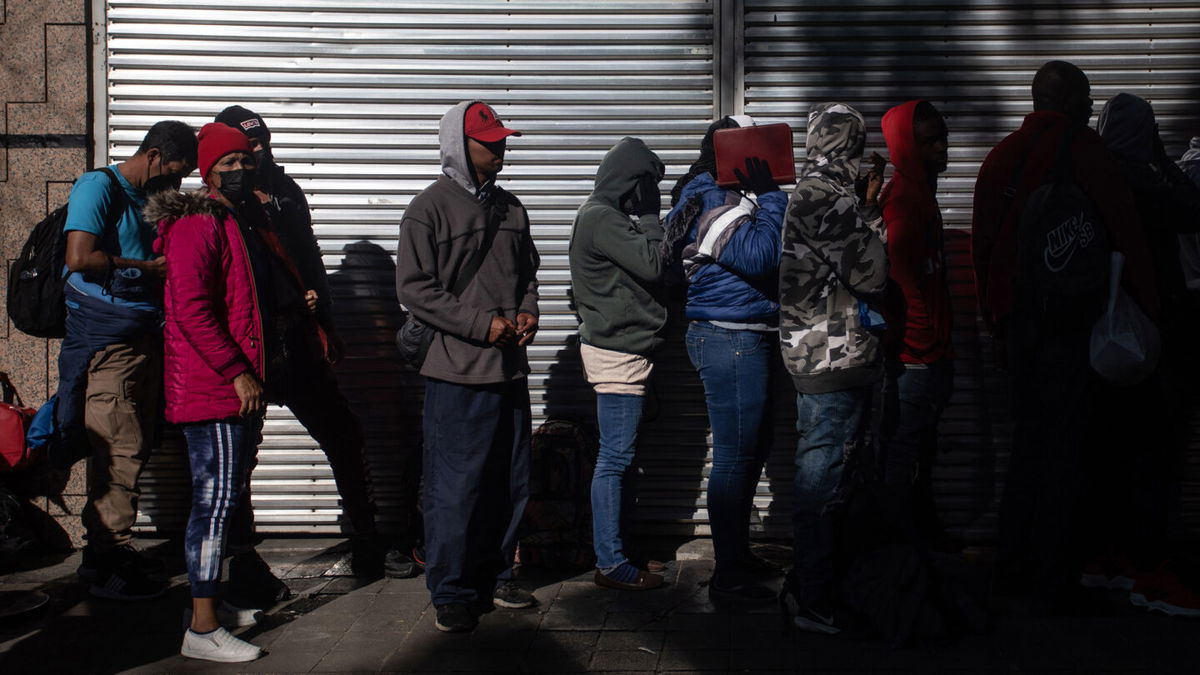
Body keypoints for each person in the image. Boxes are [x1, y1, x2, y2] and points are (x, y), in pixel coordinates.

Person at [971, 61, 1158, 613]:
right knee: (1069, 452)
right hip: (1072, 328)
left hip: (1020, 327)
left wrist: (996, 321)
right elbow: (1126, 230)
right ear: (1073, 98)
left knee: (1028, 448)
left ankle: (1012, 567)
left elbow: (984, 250)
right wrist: (1148, 312)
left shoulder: (1000, 156)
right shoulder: (1083, 150)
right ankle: (1054, 578)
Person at [213, 105, 417, 584]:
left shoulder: (285, 192)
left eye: (262, 143)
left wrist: (325, 321)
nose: (256, 154)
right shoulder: (222, 203)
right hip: (252, 346)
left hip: (297, 338)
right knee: (242, 453)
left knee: (343, 435)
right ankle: (241, 556)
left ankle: (367, 539)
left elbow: (308, 254)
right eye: (246, 149)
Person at [148, 122, 301, 662]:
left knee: (225, 503)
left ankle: (220, 606)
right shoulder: (198, 223)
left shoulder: (239, 219)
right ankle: (202, 627)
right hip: (213, 389)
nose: (239, 170)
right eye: (226, 163)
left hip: (235, 388)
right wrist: (237, 370)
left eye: (244, 160)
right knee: (212, 507)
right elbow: (190, 308)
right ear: (206, 171)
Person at [395, 101, 540, 633]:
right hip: (456, 371)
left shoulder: (512, 207)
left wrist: (528, 310)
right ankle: (452, 590)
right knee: (454, 487)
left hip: (510, 371)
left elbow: (528, 274)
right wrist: (482, 326)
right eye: (489, 141)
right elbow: (414, 290)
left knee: (509, 480)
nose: (499, 148)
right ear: (460, 145)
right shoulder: (427, 209)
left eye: (502, 140)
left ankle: (498, 574)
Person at [60, 120, 196, 600]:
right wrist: (144, 269)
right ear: (155, 155)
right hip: (110, 343)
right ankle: (105, 563)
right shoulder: (100, 185)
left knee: (134, 444)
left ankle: (110, 553)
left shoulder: (148, 198)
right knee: (119, 446)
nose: (177, 181)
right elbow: (79, 258)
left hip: (142, 338)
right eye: (176, 170)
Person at [663, 116, 788, 599]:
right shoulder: (714, 196)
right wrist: (773, 195)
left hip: (743, 331)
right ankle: (729, 574)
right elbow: (760, 256)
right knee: (736, 457)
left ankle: (737, 557)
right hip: (729, 336)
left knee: (751, 448)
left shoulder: (732, 193)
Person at [778, 102, 887, 634]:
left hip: (822, 354)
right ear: (849, 144)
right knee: (823, 484)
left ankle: (812, 588)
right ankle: (814, 600)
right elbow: (872, 276)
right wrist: (872, 214)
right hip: (832, 357)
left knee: (827, 478)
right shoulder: (826, 197)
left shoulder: (815, 191)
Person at [1094, 93, 1200, 617]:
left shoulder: (1092, 177)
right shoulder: (1146, 183)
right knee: (1156, 458)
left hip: (1106, 342)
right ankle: (1151, 573)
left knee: (1115, 453)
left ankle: (1112, 559)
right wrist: (1159, 158)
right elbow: (1194, 210)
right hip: (1153, 342)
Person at [569, 137, 668, 592]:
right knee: (614, 459)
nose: (647, 196)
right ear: (631, 182)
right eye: (646, 186)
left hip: (625, 349)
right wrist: (650, 216)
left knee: (622, 459)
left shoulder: (601, 215)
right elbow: (652, 264)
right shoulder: (604, 218)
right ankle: (610, 562)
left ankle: (619, 551)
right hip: (618, 354)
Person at [877, 100, 954, 545]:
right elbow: (904, 286)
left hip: (928, 356)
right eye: (929, 142)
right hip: (916, 360)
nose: (942, 149)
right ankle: (899, 551)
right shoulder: (905, 200)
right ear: (907, 146)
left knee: (920, 454)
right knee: (903, 457)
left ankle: (919, 543)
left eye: (943, 137)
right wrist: (927, 349)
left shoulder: (920, 191)